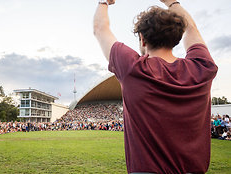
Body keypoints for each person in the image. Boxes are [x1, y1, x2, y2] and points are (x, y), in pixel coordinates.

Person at [93, 0, 218, 173]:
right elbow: (192, 29)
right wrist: (171, 2)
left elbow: (100, 28)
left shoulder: (134, 68)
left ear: (142, 40)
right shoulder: (202, 68)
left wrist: (104, 2)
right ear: (177, 37)